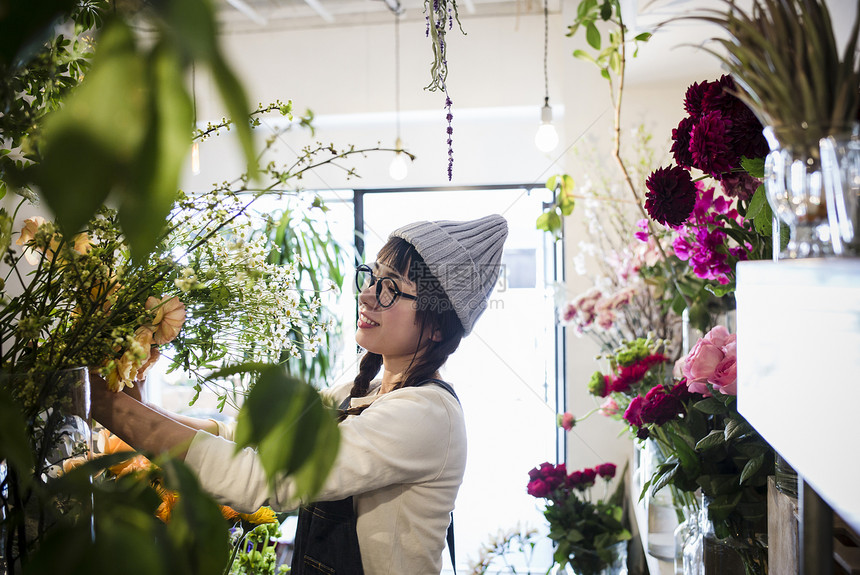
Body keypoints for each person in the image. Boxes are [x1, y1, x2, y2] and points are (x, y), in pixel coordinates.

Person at [91, 214, 508, 575]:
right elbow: (249, 438)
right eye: (373, 278)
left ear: (437, 327)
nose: (367, 296)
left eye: (390, 288)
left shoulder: (425, 414)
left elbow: (262, 476)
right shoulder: (359, 393)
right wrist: (136, 408)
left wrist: (107, 405)